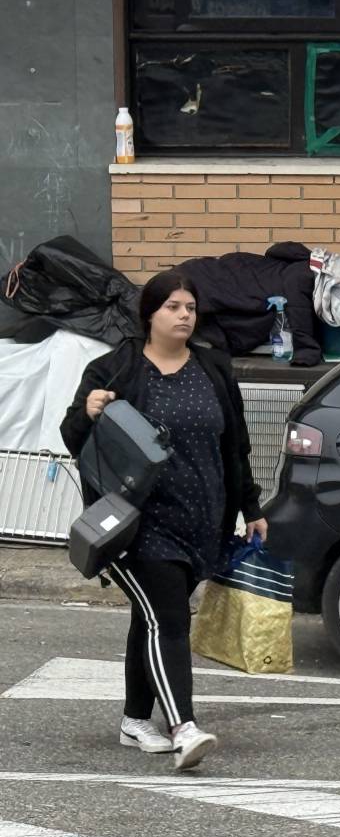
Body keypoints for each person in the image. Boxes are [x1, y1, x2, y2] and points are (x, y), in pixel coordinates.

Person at [61, 270, 267, 770]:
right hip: (138, 522)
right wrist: (88, 413)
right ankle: (183, 726)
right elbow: (74, 439)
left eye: (190, 308)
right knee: (170, 619)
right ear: (150, 314)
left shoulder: (214, 368)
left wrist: (251, 508)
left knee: (152, 618)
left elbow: (233, 447)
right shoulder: (114, 371)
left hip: (202, 521)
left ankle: (135, 718)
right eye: (173, 306)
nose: (184, 316)